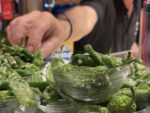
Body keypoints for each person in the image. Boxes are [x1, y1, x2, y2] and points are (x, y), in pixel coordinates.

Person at [6, 0, 142, 58]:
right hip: (85, 94)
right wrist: (63, 27)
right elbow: (86, 16)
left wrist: (131, 46)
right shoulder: (103, 2)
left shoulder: (137, 4)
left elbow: (125, 36)